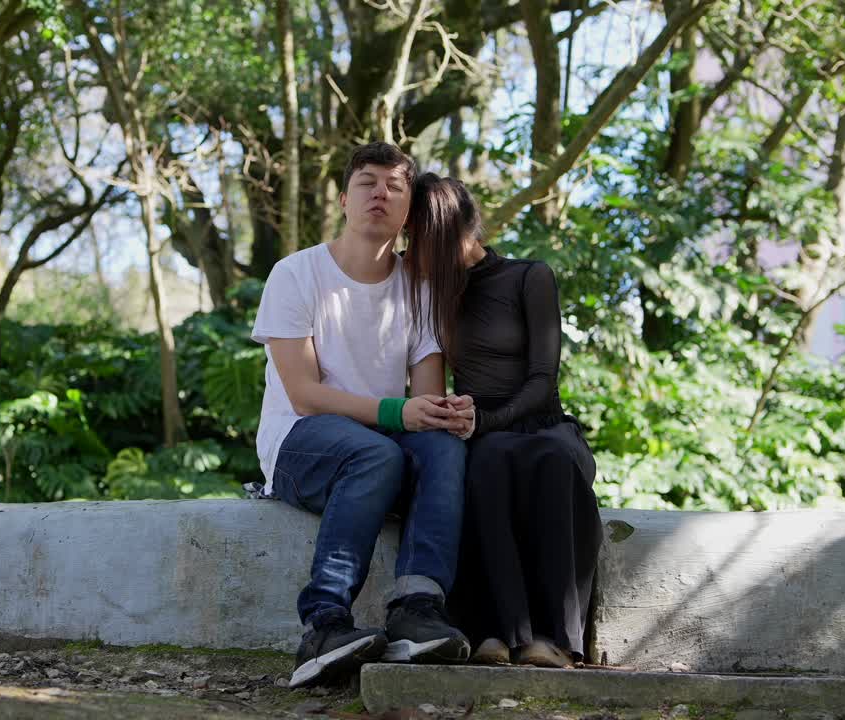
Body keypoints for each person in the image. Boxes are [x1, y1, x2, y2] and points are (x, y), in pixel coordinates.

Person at [252, 144, 474, 688]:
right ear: (344, 200)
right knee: (374, 451)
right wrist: (400, 412)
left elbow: (424, 404)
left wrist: (449, 415)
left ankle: (416, 609)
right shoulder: (296, 274)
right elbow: (304, 394)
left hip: (379, 451)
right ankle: (324, 625)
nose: (380, 193)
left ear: (407, 212)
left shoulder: (419, 290)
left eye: (395, 186)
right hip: (299, 446)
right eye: (366, 183)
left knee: (444, 446)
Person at [403, 173, 603, 668]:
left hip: (541, 424)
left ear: (450, 231)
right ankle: (492, 632)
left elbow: (543, 379)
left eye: (419, 238)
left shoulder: (530, 276)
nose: (413, 251)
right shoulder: (435, 294)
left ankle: (553, 638)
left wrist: (487, 421)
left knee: (553, 461)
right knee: (484, 465)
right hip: (482, 433)